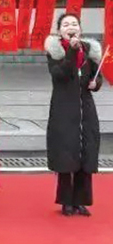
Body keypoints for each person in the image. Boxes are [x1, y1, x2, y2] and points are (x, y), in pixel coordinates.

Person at [45, 13, 103, 217]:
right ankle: (66, 201)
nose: (71, 27)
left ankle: (81, 201)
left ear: (80, 28)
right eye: (66, 24)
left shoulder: (88, 50)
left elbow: (97, 76)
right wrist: (71, 50)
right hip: (63, 109)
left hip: (86, 109)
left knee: (85, 153)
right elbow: (59, 74)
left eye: (74, 24)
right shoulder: (55, 52)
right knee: (66, 155)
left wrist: (96, 84)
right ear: (59, 30)